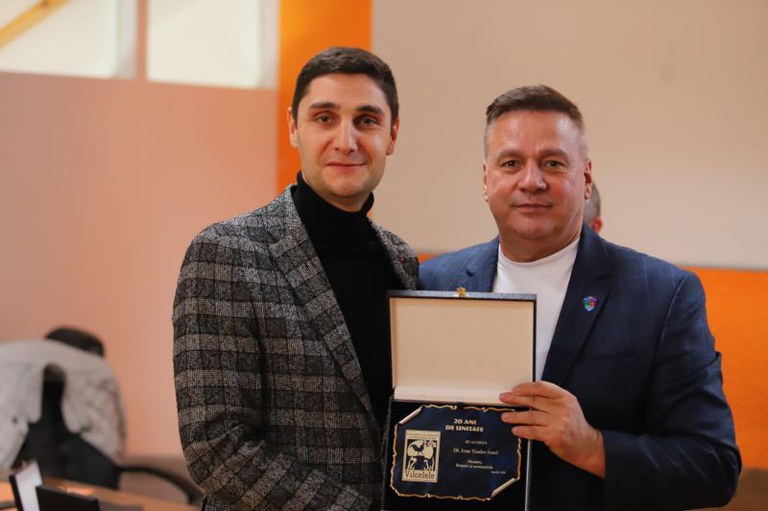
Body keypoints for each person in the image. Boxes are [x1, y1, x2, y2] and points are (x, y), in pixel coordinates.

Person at [419, 85, 740, 510]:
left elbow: (713, 467)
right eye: (511, 163)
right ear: (485, 180)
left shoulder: (662, 295)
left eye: (552, 163)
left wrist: (592, 446)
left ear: (585, 179)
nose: (531, 181)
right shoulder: (433, 282)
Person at [173, 47, 418, 510]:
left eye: (366, 120)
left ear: (392, 134)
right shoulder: (226, 253)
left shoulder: (402, 261)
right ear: (293, 127)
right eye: (325, 118)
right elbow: (216, 448)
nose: (346, 140)